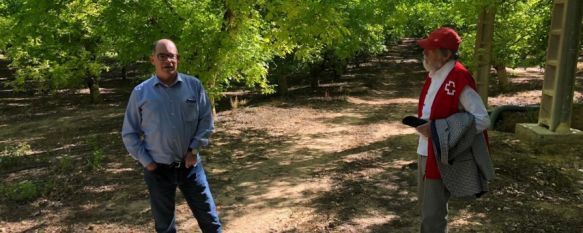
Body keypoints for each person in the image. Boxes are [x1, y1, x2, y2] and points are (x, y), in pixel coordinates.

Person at [122, 39, 222, 233]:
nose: (168, 60)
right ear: (153, 59)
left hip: (191, 166)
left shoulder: (194, 86)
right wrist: (147, 162)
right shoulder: (140, 92)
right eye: (162, 56)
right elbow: (129, 132)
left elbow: (206, 121)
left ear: (178, 59)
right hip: (158, 170)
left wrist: (194, 150)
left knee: (210, 219)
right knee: (164, 226)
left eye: (171, 56)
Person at [414, 27, 494, 233]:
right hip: (424, 151)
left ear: (446, 54)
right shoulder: (435, 73)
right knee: (426, 209)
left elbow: (482, 120)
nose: (425, 52)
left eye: (430, 49)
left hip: (439, 155)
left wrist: (440, 131)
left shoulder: (459, 77)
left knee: (433, 215)